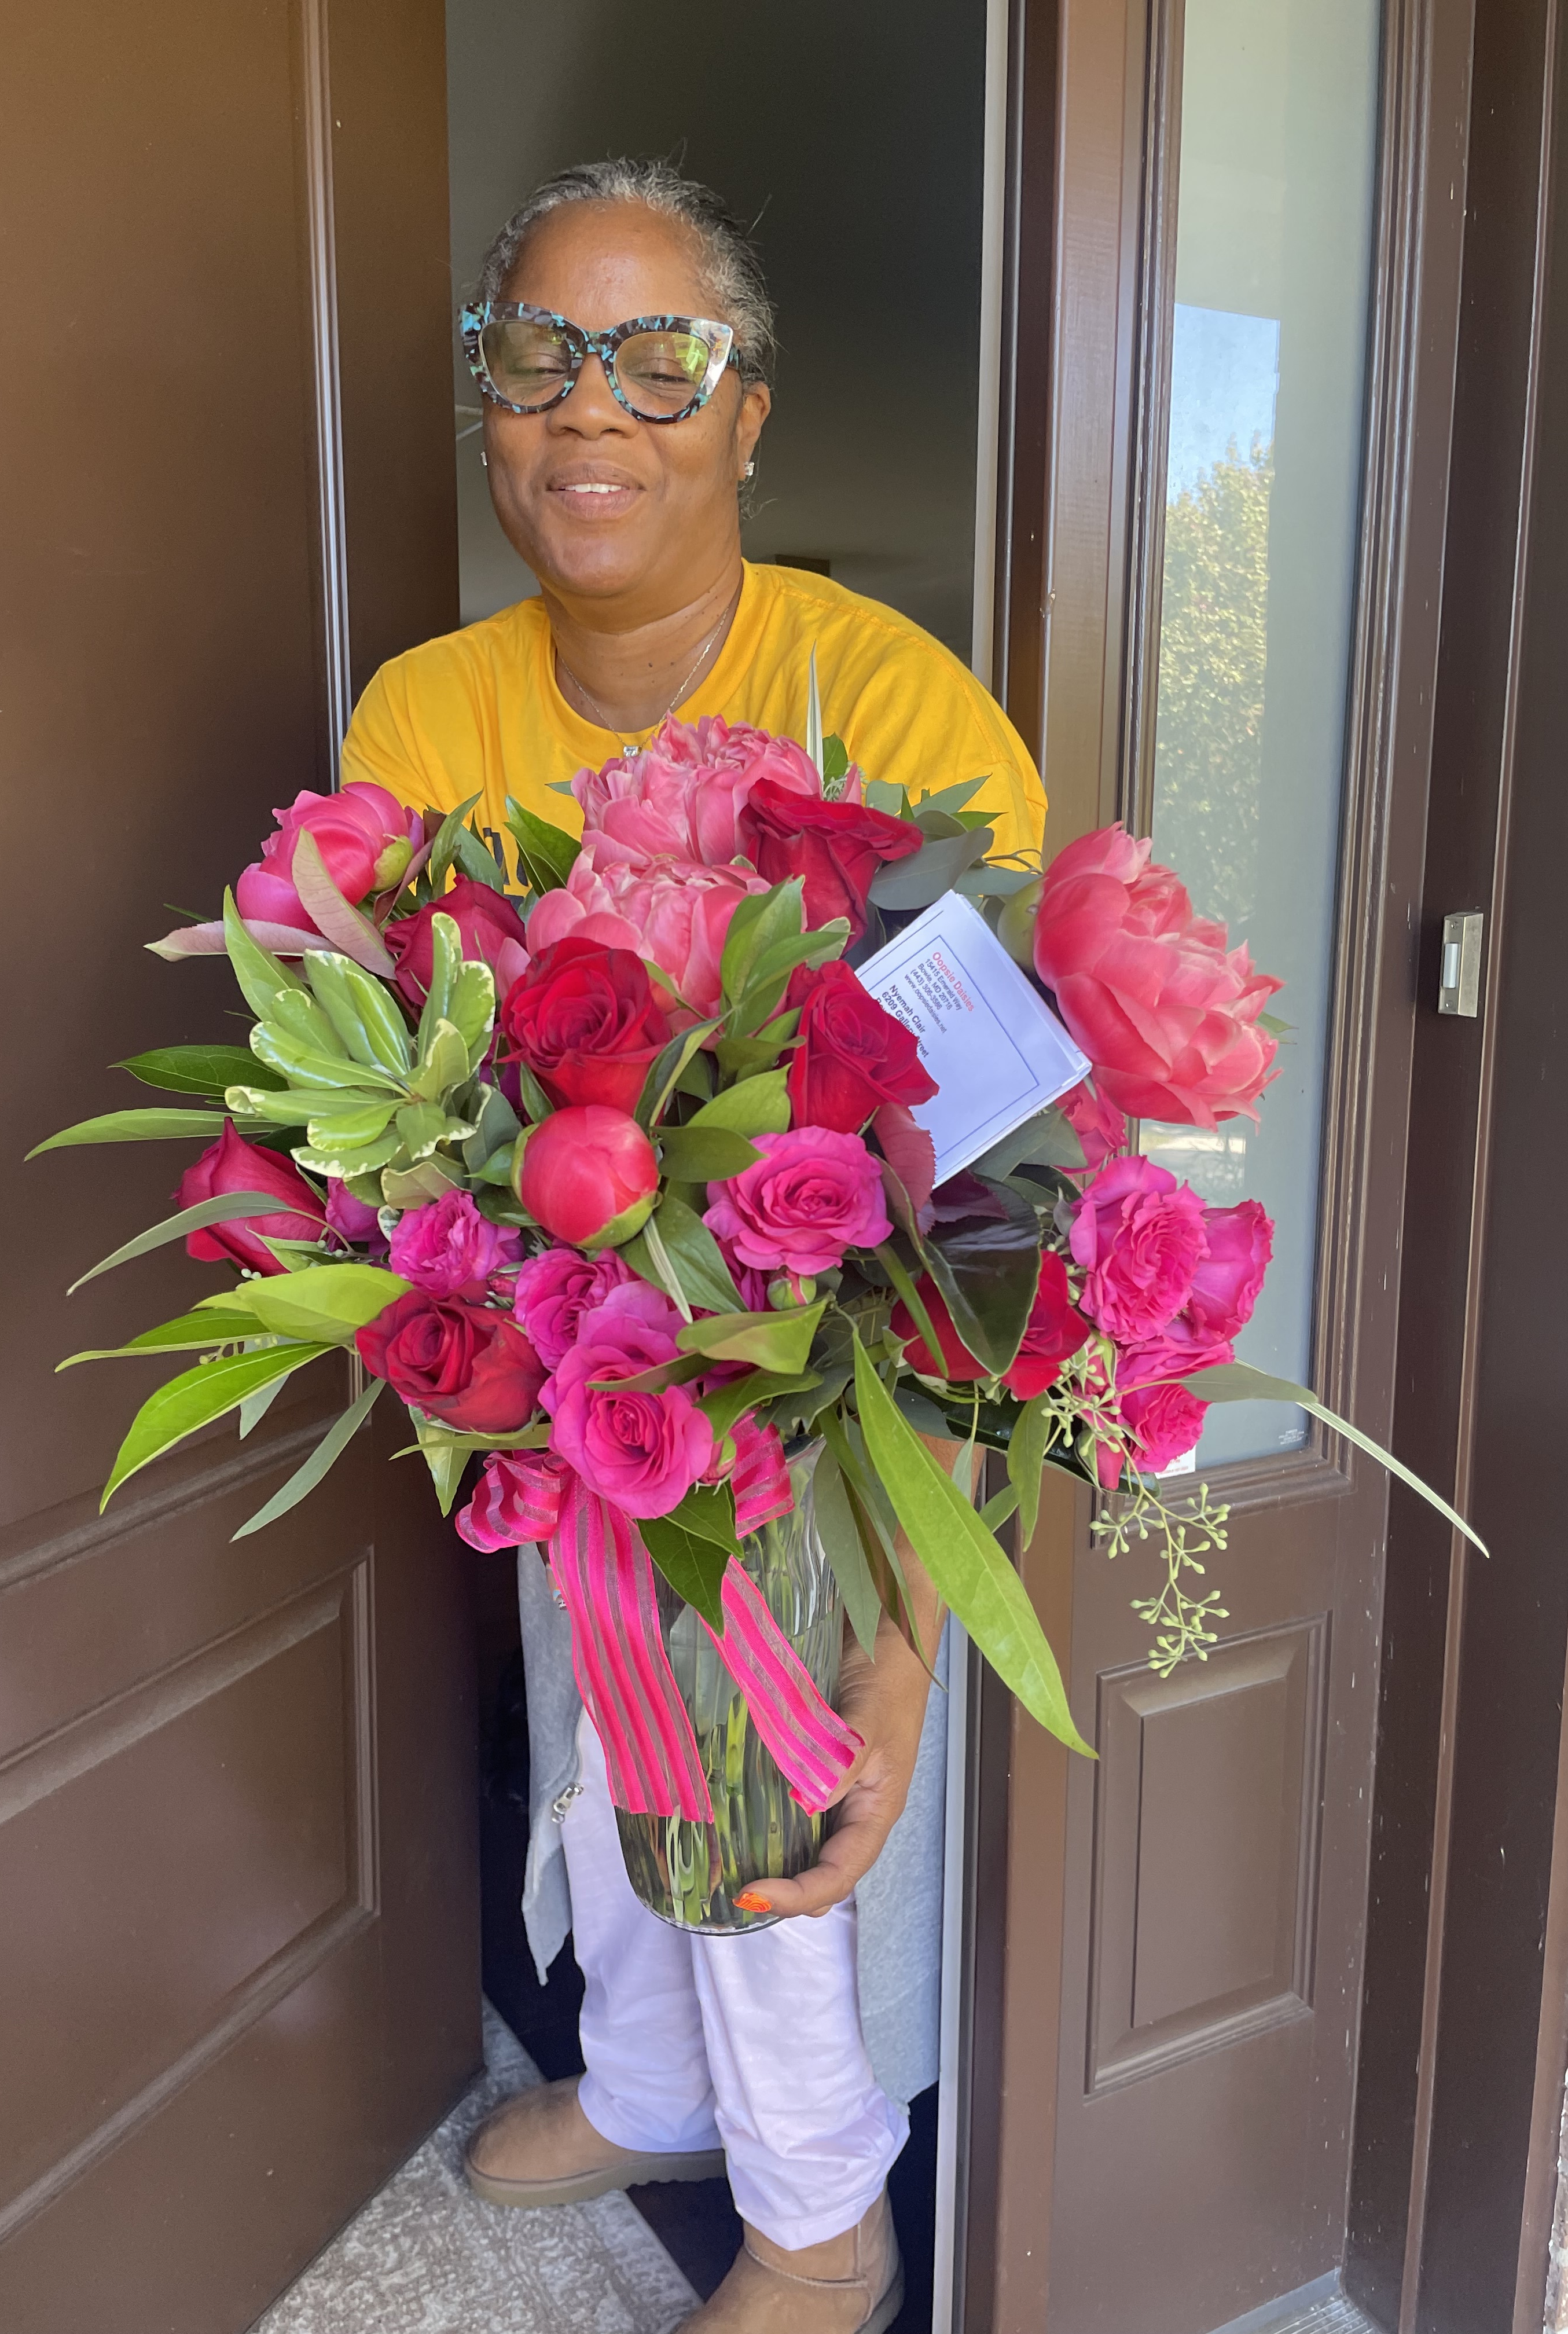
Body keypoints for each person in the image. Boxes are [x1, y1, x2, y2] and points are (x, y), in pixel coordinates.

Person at [341, 159, 1047, 2334]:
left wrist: (913, 1618)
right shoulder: (422, 721)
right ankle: (651, 2088)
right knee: (604, 1727)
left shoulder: (890, 710)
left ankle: (825, 2221)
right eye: (541, 354)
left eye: (662, 360)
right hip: (585, 1368)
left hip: (846, 1394)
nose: (592, 407)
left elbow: (1000, 1189)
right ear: (487, 403)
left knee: (774, 1763)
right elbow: (397, 1097)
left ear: (748, 414)